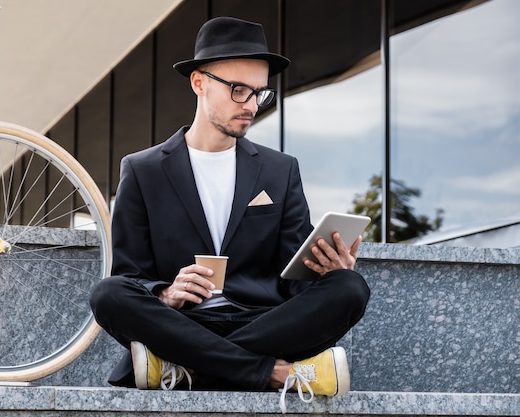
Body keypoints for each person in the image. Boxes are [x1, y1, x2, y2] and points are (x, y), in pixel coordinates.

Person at [89, 16, 370, 413]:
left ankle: (184, 369)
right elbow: (129, 276)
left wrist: (327, 271)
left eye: (260, 93)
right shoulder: (143, 170)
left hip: (264, 324)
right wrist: (166, 294)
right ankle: (275, 374)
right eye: (239, 90)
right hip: (184, 325)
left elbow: (294, 280)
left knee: (350, 288)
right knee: (108, 295)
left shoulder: (280, 170)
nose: (252, 105)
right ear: (199, 83)